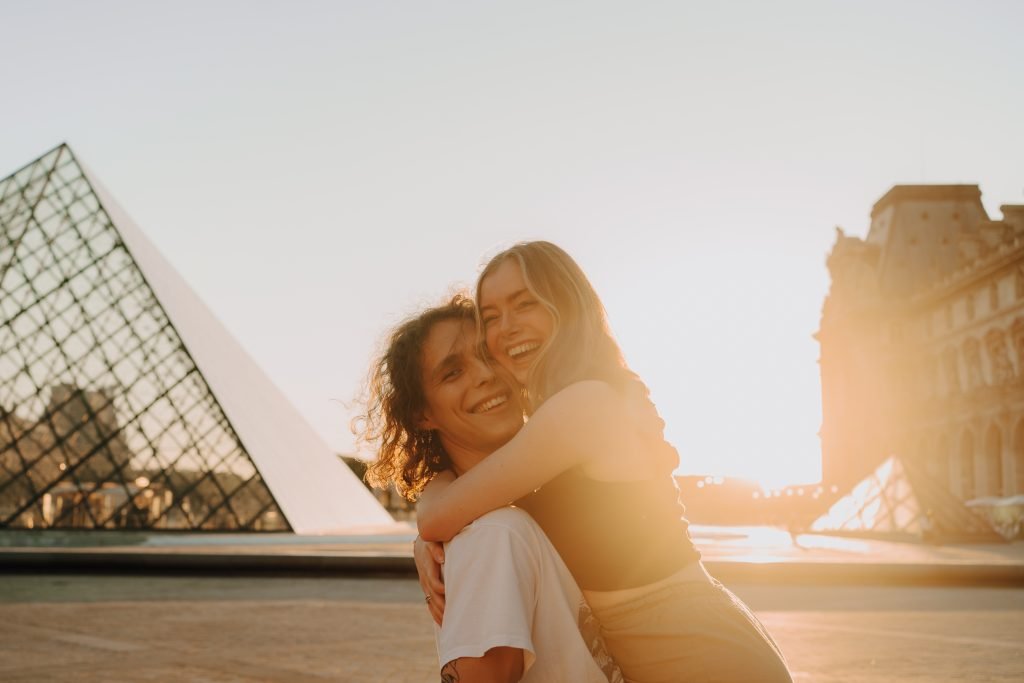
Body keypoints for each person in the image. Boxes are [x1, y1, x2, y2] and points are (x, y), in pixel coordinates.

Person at [415, 241, 793, 683]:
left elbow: (441, 514)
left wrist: (428, 535)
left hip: (705, 656)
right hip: (686, 646)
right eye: (492, 317)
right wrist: (430, 533)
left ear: (567, 304)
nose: (507, 329)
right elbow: (466, 506)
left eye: (525, 304)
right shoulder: (574, 403)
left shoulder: (582, 405)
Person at [358, 295, 622, 683]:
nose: (484, 374)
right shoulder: (493, 535)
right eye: (452, 373)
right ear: (422, 414)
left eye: (487, 354)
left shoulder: (514, 517)